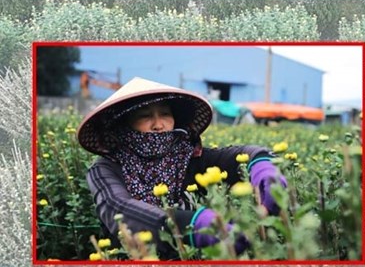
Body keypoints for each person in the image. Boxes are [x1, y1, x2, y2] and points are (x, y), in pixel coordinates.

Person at [76, 77, 287, 259]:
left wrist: (262, 167)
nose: (159, 124)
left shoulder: (189, 157)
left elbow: (240, 155)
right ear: (123, 124)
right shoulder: (106, 169)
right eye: (145, 115)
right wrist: (193, 224)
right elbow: (118, 207)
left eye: (165, 113)